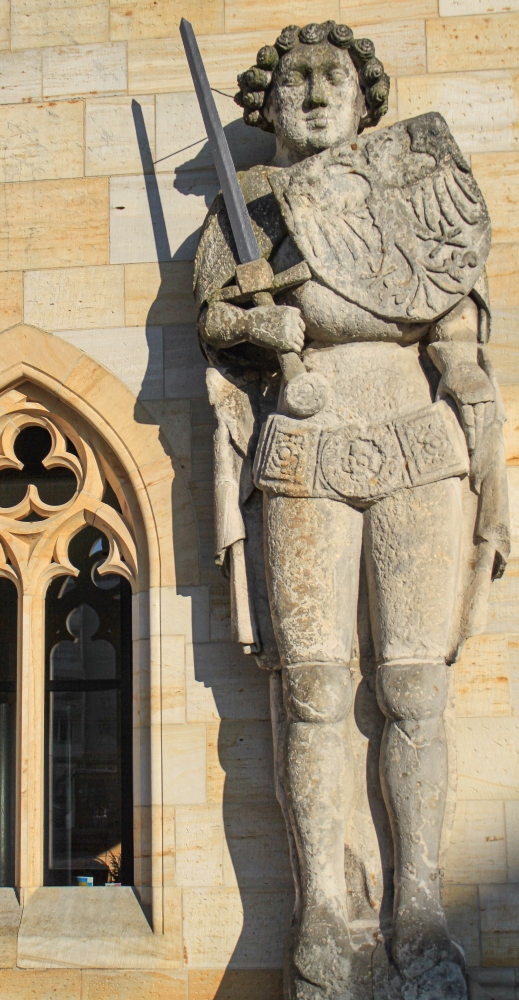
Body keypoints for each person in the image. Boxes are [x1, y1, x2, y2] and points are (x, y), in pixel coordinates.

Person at [193, 19, 510, 1000]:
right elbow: (214, 313)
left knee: (412, 686)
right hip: (303, 434)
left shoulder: (411, 187)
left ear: (365, 99)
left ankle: (417, 911)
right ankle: (320, 909)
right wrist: (254, 321)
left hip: (416, 436)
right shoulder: (246, 205)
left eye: (334, 78)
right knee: (315, 685)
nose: (317, 93)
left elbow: (452, 318)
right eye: (296, 80)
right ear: (267, 102)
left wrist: (484, 439)